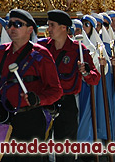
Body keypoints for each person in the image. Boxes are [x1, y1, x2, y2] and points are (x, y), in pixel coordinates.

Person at [0, 9, 63, 162]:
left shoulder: (41, 55)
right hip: (3, 119)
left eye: (18, 24)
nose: (12, 28)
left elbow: (56, 91)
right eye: (10, 24)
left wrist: (39, 99)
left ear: (30, 29)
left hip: (31, 119)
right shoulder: (1, 52)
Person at [39, 10, 99, 162]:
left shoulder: (78, 50)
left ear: (63, 27)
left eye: (52, 25)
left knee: (66, 150)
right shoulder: (41, 47)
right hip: (45, 103)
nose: (49, 29)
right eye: (48, 25)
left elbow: (94, 78)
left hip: (67, 103)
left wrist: (85, 72)